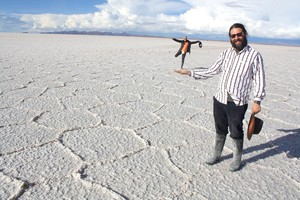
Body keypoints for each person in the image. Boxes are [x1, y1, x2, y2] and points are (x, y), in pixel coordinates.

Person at [175, 23, 266, 171]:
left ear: (245, 35)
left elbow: (259, 79)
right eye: (233, 35)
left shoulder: (254, 55)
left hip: (237, 102)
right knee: (220, 129)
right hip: (219, 98)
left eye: (239, 34)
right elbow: (212, 70)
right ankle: (217, 155)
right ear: (230, 38)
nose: (236, 38)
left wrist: (257, 100)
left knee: (236, 131)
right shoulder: (225, 54)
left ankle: (237, 158)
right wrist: (190, 73)